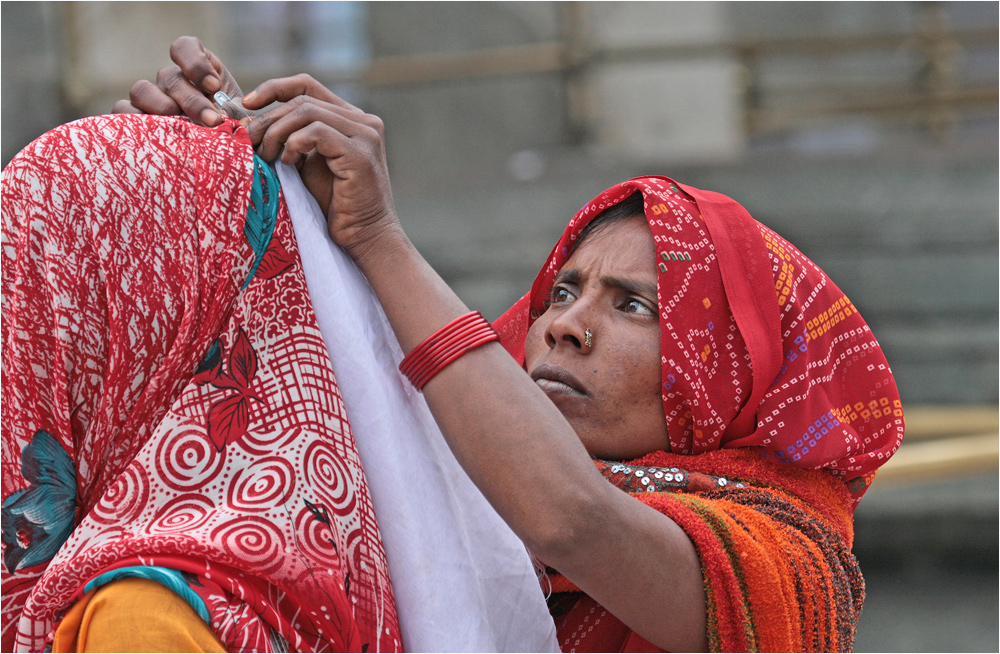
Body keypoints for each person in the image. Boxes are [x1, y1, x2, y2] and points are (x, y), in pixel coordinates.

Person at [1, 37, 904, 653]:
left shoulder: (796, 571)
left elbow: (574, 520)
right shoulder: (427, 499)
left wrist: (378, 239)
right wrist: (231, 199)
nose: (565, 324)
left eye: (635, 306)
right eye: (561, 289)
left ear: (742, 366)